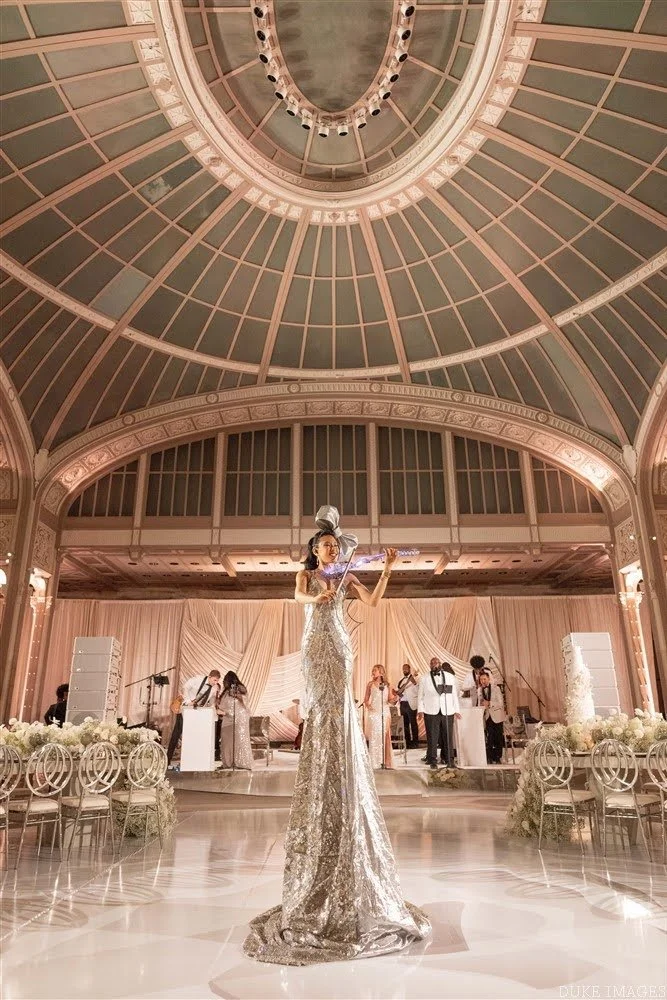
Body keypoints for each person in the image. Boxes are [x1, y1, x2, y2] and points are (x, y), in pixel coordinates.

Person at [244, 505, 430, 964]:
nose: (327, 549)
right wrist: (320, 598)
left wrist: (385, 567)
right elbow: (300, 600)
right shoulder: (308, 577)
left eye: (332, 545)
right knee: (322, 705)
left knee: (339, 703)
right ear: (313, 548)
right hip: (316, 648)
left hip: (340, 648)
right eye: (322, 545)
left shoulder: (347, 577)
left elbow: (371, 604)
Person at [167, 669, 221, 765]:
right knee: (176, 733)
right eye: (214, 680)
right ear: (209, 677)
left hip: (199, 713)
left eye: (217, 680)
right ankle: (168, 759)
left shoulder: (215, 687)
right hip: (186, 709)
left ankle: (193, 760)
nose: (215, 682)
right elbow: (185, 687)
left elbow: (212, 699)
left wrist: (211, 706)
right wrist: (189, 701)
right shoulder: (197, 679)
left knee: (193, 735)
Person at [418, 659, 461, 769]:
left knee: (448, 736)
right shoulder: (424, 678)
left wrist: (457, 710)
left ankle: (450, 760)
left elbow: (454, 695)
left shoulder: (450, 677)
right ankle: (432, 760)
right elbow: (420, 696)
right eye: (431, 663)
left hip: (447, 710)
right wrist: (420, 710)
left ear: (440, 664)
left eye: (435, 663)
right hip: (430, 710)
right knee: (432, 737)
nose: (433, 665)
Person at [216, 671, 253, 770]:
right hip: (227, 718)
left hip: (239, 719)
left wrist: (237, 695)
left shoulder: (240, 689)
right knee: (226, 741)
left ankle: (241, 762)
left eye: (225, 680)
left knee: (239, 740)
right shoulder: (226, 692)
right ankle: (227, 763)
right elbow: (223, 704)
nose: (224, 682)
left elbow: (244, 702)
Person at [364, 664, 395, 769]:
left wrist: (395, 699)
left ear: (381, 672)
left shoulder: (387, 685)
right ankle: (374, 762)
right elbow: (366, 699)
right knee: (374, 737)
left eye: (375, 670)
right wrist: (369, 706)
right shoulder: (370, 684)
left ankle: (384, 761)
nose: (373, 672)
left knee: (383, 736)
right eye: (372, 670)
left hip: (384, 712)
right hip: (374, 714)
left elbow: (390, 699)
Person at [477, 667, 506, 765]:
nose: (483, 681)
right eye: (481, 679)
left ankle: (498, 757)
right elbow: (479, 703)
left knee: (498, 737)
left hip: (497, 716)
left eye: (484, 679)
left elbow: (501, 703)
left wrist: (489, 703)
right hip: (487, 716)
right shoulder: (480, 690)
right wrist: (481, 705)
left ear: (488, 679)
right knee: (489, 738)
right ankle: (489, 757)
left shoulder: (496, 688)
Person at [395, 663, 419, 748]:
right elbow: (397, 691)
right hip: (403, 704)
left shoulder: (415, 679)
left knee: (413, 724)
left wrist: (415, 683)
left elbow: (418, 691)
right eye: (403, 668)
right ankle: (408, 742)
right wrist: (399, 694)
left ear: (409, 669)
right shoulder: (400, 680)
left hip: (411, 703)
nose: (404, 670)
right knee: (405, 724)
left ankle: (415, 742)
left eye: (406, 668)